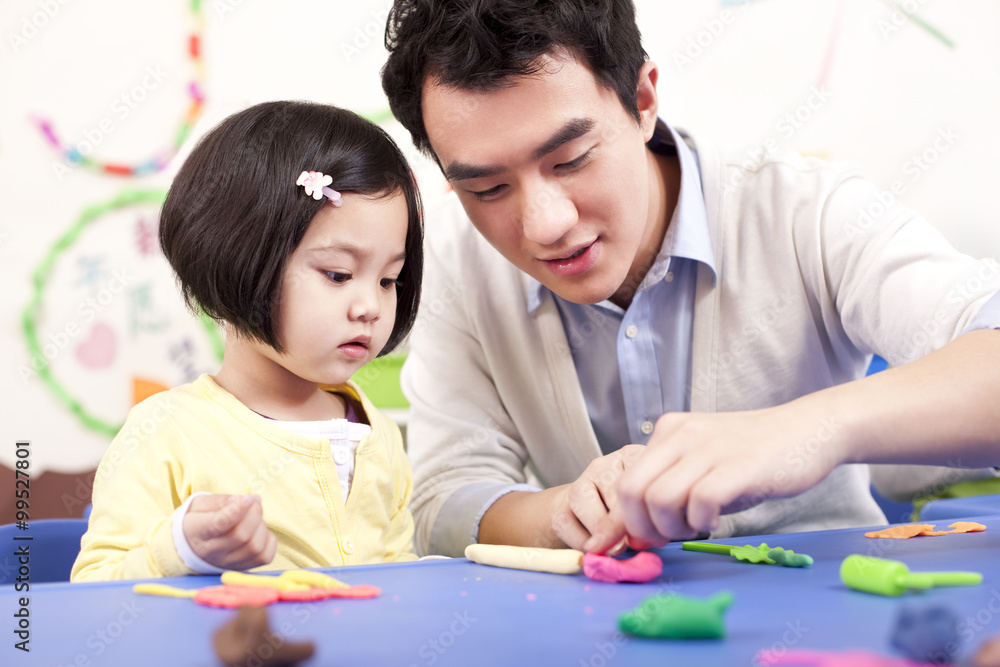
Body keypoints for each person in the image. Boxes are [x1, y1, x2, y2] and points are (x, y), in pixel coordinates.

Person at [380, 0, 1000, 558]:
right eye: (487, 188)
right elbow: (444, 499)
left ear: (643, 100)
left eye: (569, 160)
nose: (545, 224)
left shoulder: (803, 211)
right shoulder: (460, 263)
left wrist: (808, 429)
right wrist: (560, 512)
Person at [71, 101, 423, 581]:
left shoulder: (377, 433)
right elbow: (93, 587)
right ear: (237, 259)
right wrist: (179, 551)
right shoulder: (167, 433)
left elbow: (397, 570)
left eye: (389, 280)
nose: (371, 306)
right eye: (338, 274)